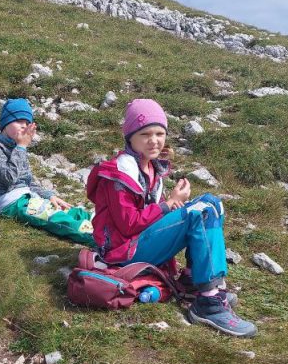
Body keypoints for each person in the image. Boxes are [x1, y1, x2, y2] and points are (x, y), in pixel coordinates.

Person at [86, 98, 257, 337]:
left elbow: (149, 217)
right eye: (145, 134)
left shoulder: (149, 167)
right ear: (130, 137)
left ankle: (195, 282)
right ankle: (208, 303)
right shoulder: (119, 175)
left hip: (137, 242)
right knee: (201, 211)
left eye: (159, 133)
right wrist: (168, 205)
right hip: (122, 253)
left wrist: (173, 207)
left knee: (212, 202)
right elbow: (128, 225)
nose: (154, 140)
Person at [0, 97, 95, 246]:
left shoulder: (17, 148)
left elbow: (27, 181)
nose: (24, 126)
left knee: (71, 211)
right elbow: (9, 178)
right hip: (10, 203)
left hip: (26, 197)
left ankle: (107, 224)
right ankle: (99, 238)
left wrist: (49, 195)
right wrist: (21, 147)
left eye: (27, 123)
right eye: (18, 121)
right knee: (56, 217)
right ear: (5, 123)